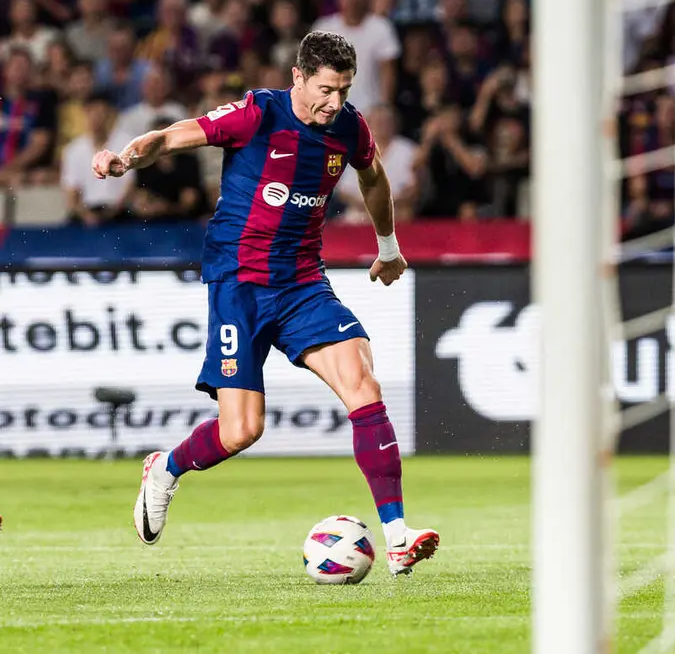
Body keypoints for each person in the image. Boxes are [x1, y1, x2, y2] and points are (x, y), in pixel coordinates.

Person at [91, 31, 439, 577]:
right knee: (242, 431)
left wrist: (389, 246)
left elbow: (373, 178)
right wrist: (127, 159)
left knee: (364, 384)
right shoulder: (257, 113)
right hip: (238, 284)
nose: (336, 103)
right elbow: (177, 134)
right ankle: (166, 468)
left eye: (345, 90)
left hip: (303, 282)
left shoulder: (349, 127)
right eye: (326, 89)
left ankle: (397, 535)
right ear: (298, 77)